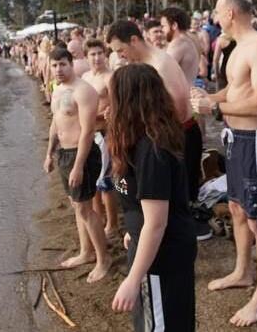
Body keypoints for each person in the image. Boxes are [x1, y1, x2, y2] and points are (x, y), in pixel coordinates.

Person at [191, 0, 257, 327]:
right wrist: (210, 96)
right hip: (237, 138)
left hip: (256, 138)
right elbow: (235, 89)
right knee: (236, 209)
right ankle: (242, 271)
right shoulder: (238, 47)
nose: (214, 18)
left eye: (216, 11)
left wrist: (212, 107)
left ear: (229, 13)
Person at [108, 64, 197, 331]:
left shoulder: (151, 150)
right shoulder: (139, 140)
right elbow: (142, 203)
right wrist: (132, 230)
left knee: (160, 324)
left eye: (113, 97)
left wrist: (133, 279)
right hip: (149, 242)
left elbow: (157, 223)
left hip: (162, 254)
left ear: (127, 100)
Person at [106, 21, 210, 241]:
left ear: (134, 40)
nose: (121, 56)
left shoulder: (159, 63)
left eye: (120, 50)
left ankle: (176, 235)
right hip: (165, 137)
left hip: (179, 135)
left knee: (175, 196)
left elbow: (180, 108)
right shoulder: (146, 63)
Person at [42, 48, 111, 283]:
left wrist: (79, 166)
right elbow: (56, 122)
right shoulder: (57, 89)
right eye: (54, 66)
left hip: (81, 155)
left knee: (85, 208)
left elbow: (88, 131)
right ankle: (86, 252)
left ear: (71, 64)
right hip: (64, 153)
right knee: (77, 206)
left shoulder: (84, 91)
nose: (58, 70)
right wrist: (49, 154)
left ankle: (103, 260)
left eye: (62, 64)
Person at [83, 39, 120, 238]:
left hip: (105, 134)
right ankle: (99, 219)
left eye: (100, 53)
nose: (97, 58)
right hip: (89, 134)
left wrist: (106, 114)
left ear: (105, 55)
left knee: (105, 182)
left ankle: (112, 224)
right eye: (92, 54)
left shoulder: (110, 77)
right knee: (93, 183)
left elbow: (118, 105)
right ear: (86, 57)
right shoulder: (85, 77)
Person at [160, 6, 201, 86]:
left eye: (163, 26)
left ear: (174, 25)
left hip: (181, 94)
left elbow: (163, 71)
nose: (162, 30)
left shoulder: (178, 43)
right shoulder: (190, 39)